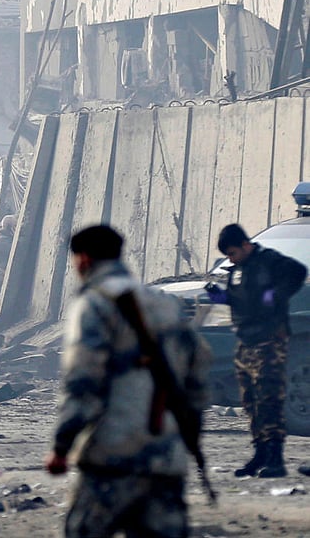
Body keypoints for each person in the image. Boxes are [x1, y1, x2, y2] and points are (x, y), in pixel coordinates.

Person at [45, 225, 210, 538]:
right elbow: (198, 373)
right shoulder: (165, 303)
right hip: (165, 456)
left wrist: (61, 447)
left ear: (82, 260)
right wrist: (188, 435)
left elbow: (83, 383)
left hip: (113, 455)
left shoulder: (94, 305)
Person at [206, 223, 307, 478]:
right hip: (246, 342)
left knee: (269, 400)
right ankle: (260, 454)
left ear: (246, 245)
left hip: (269, 341)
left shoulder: (269, 260)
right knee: (251, 402)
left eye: (233, 253)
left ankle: (275, 460)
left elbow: (298, 271)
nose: (231, 259)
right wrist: (221, 297)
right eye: (227, 255)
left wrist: (276, 295)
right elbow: (240, 298)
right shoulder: (238, 269)